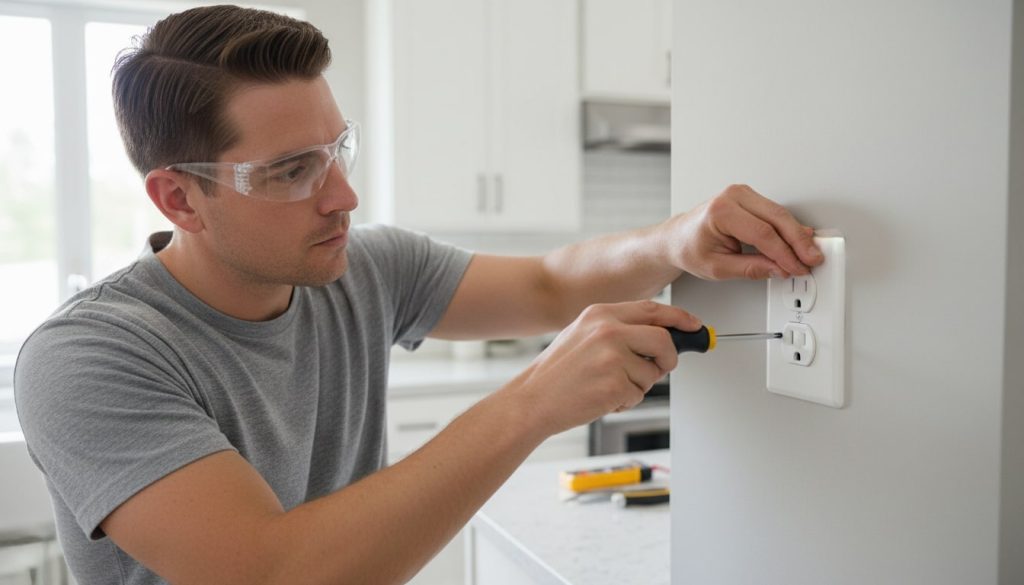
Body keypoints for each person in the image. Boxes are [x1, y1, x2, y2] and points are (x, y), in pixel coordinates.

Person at [13, 5, 823, 584]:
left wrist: (676, 240)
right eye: (292, 171)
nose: (343, 198)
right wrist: (533, 400)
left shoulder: (362, 268)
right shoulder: (86, 357)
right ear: (178, 200)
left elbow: (547, 285)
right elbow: (272, 571)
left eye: (337, 151)